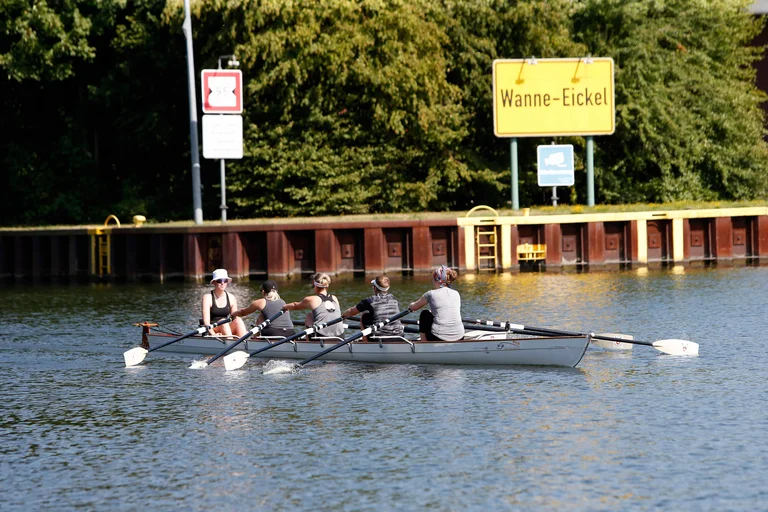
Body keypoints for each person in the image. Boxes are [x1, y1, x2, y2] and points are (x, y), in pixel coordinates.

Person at [408, 265, 464, 341]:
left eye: (433, 279)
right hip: (460, 336)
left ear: (437, 280)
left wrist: (410, 304)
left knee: (424, 314)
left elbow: (413, 307)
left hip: (439, 338)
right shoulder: (456, 293)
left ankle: (424, 345)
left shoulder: (431, 294)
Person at [341, 275, 404, 341]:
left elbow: (351, 311)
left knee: (365, 315)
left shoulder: (370, 300)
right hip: (399, 336)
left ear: (375, 288)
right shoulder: (394, 299)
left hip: (380, 337)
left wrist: (342, 316)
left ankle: (365, 344)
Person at [282, 272, 345, 339]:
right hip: (340, 336)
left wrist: (284, 307)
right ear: (327, 285)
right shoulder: (334, 298)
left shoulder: (311, 299)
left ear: (315, 285)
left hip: (323, 337)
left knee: (309, 316)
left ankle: (308, 342)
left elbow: (295, 305)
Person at [230, 280, 296, 338]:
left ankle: (256, 340)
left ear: (263, 291)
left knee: (260, 318)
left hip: (274, 333)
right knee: (263, 315)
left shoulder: (260, 302)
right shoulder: (283, 302)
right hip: (291, 334)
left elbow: (243, 312)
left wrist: (233, 314)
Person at [201, 268, 248, 337]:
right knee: (223, 322)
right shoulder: (207, 298)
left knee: (238, 320)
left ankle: (244, 342)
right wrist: (214, 335)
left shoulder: (231, 298)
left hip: (226, 328)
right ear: (214, 282)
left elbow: (234, 318)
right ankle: (230, 342)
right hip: (213, 329)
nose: (222, 283)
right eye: (219, 281)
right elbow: (206, 323)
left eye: (225, 280)